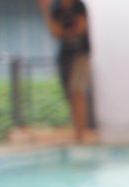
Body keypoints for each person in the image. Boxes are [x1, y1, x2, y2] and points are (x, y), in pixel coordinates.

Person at [40, 0, 92, 143]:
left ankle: (82, 132)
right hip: (65, 55)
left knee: (78, 91)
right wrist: (45, 10)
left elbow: (81, 28)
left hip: (81, 53)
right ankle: (77, 131)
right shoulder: (55, 7)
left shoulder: (78, 5)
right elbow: (55, 32)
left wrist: (64, 32)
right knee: (70, 93)